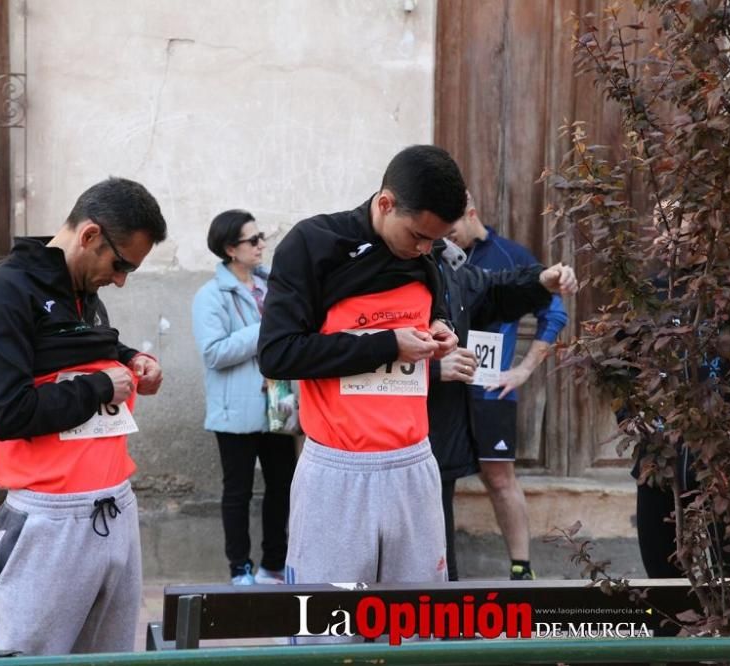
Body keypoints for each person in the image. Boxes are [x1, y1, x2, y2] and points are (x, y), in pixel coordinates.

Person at [258, 144, 576, 589]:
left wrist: (534, 285)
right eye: (417, 236)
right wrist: (388, 345)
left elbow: (480, 294)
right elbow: (279, 354)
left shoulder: (431, 255)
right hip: (337, 470)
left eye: (436, 240)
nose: (425, 248)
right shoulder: (314, 245)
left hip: (414, 465)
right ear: (386, 203)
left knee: (417, 628)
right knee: (328, 633)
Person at [0, 177, 166, 655]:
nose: (119, 280)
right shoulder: (6, 291)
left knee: (111, 659)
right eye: (120, 266)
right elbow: (7, 411)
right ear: (90, 235)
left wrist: (131, 357)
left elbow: (80, 348)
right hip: (49, 522)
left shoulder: (80, 285)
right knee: (34, 661)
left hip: (114, 506)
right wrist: (98, 386)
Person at [428, 214, 574, 581]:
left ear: (471, 215)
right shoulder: (434, 257)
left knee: (498, 477)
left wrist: (524, 370)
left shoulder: (509, 255)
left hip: (489, 388)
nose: (446, 237)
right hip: (440, 387)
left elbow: (554, 311)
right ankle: (438, 573)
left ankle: (522, 567)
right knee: (434, 480)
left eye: (451, 229)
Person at [192, 210, 298, 585]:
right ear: (229, 249)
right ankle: (239, 567)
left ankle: (273, 564)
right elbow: (214, 352)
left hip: (279, 399)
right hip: (235, 407)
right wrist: (265, 330)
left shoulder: (272, 286)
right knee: (237, 490)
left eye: (262, 237)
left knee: (283, 485)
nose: (262, 245)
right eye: (252, 240)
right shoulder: (210, 296)